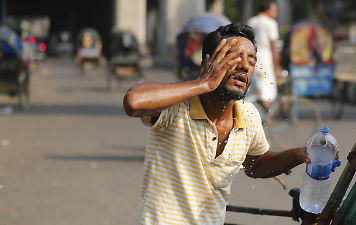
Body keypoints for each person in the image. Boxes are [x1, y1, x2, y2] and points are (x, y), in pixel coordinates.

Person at [123, 23, 309, 225]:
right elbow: (134, 102)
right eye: (234, 57)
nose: (244, 66)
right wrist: (203, 83)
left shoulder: (248, 115)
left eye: (251, 60)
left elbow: (256, 165)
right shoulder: (176, 107)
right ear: (208, 62)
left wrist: (298, 155)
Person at [247, 0, 282, 111]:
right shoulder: (270, 23)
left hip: (252, 57)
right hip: (266, 59)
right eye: (274, 9)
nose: (276, 12)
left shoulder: (251, 21)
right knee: (267, 91)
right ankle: (266, 116)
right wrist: (277, 66)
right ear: (267, 9)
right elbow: (273, 46)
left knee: (257, 89)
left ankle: (261, 113)